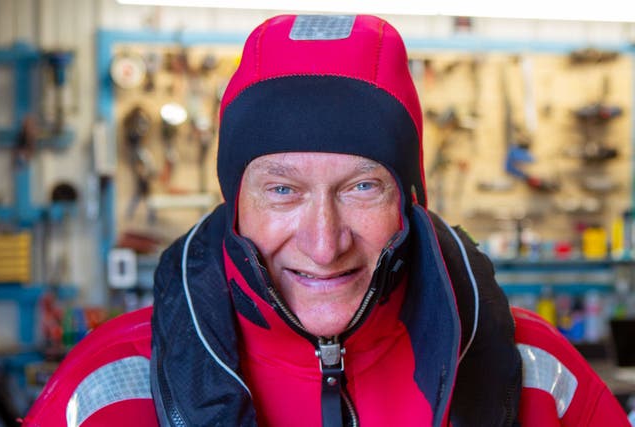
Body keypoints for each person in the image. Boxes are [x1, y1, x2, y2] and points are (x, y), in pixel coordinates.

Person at [148, 14, 631, 427]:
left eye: (362, 187)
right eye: (282, 191)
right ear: (235, 206)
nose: (324, 245)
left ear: (411, 200)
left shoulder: (542, 377)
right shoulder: (115, 390)